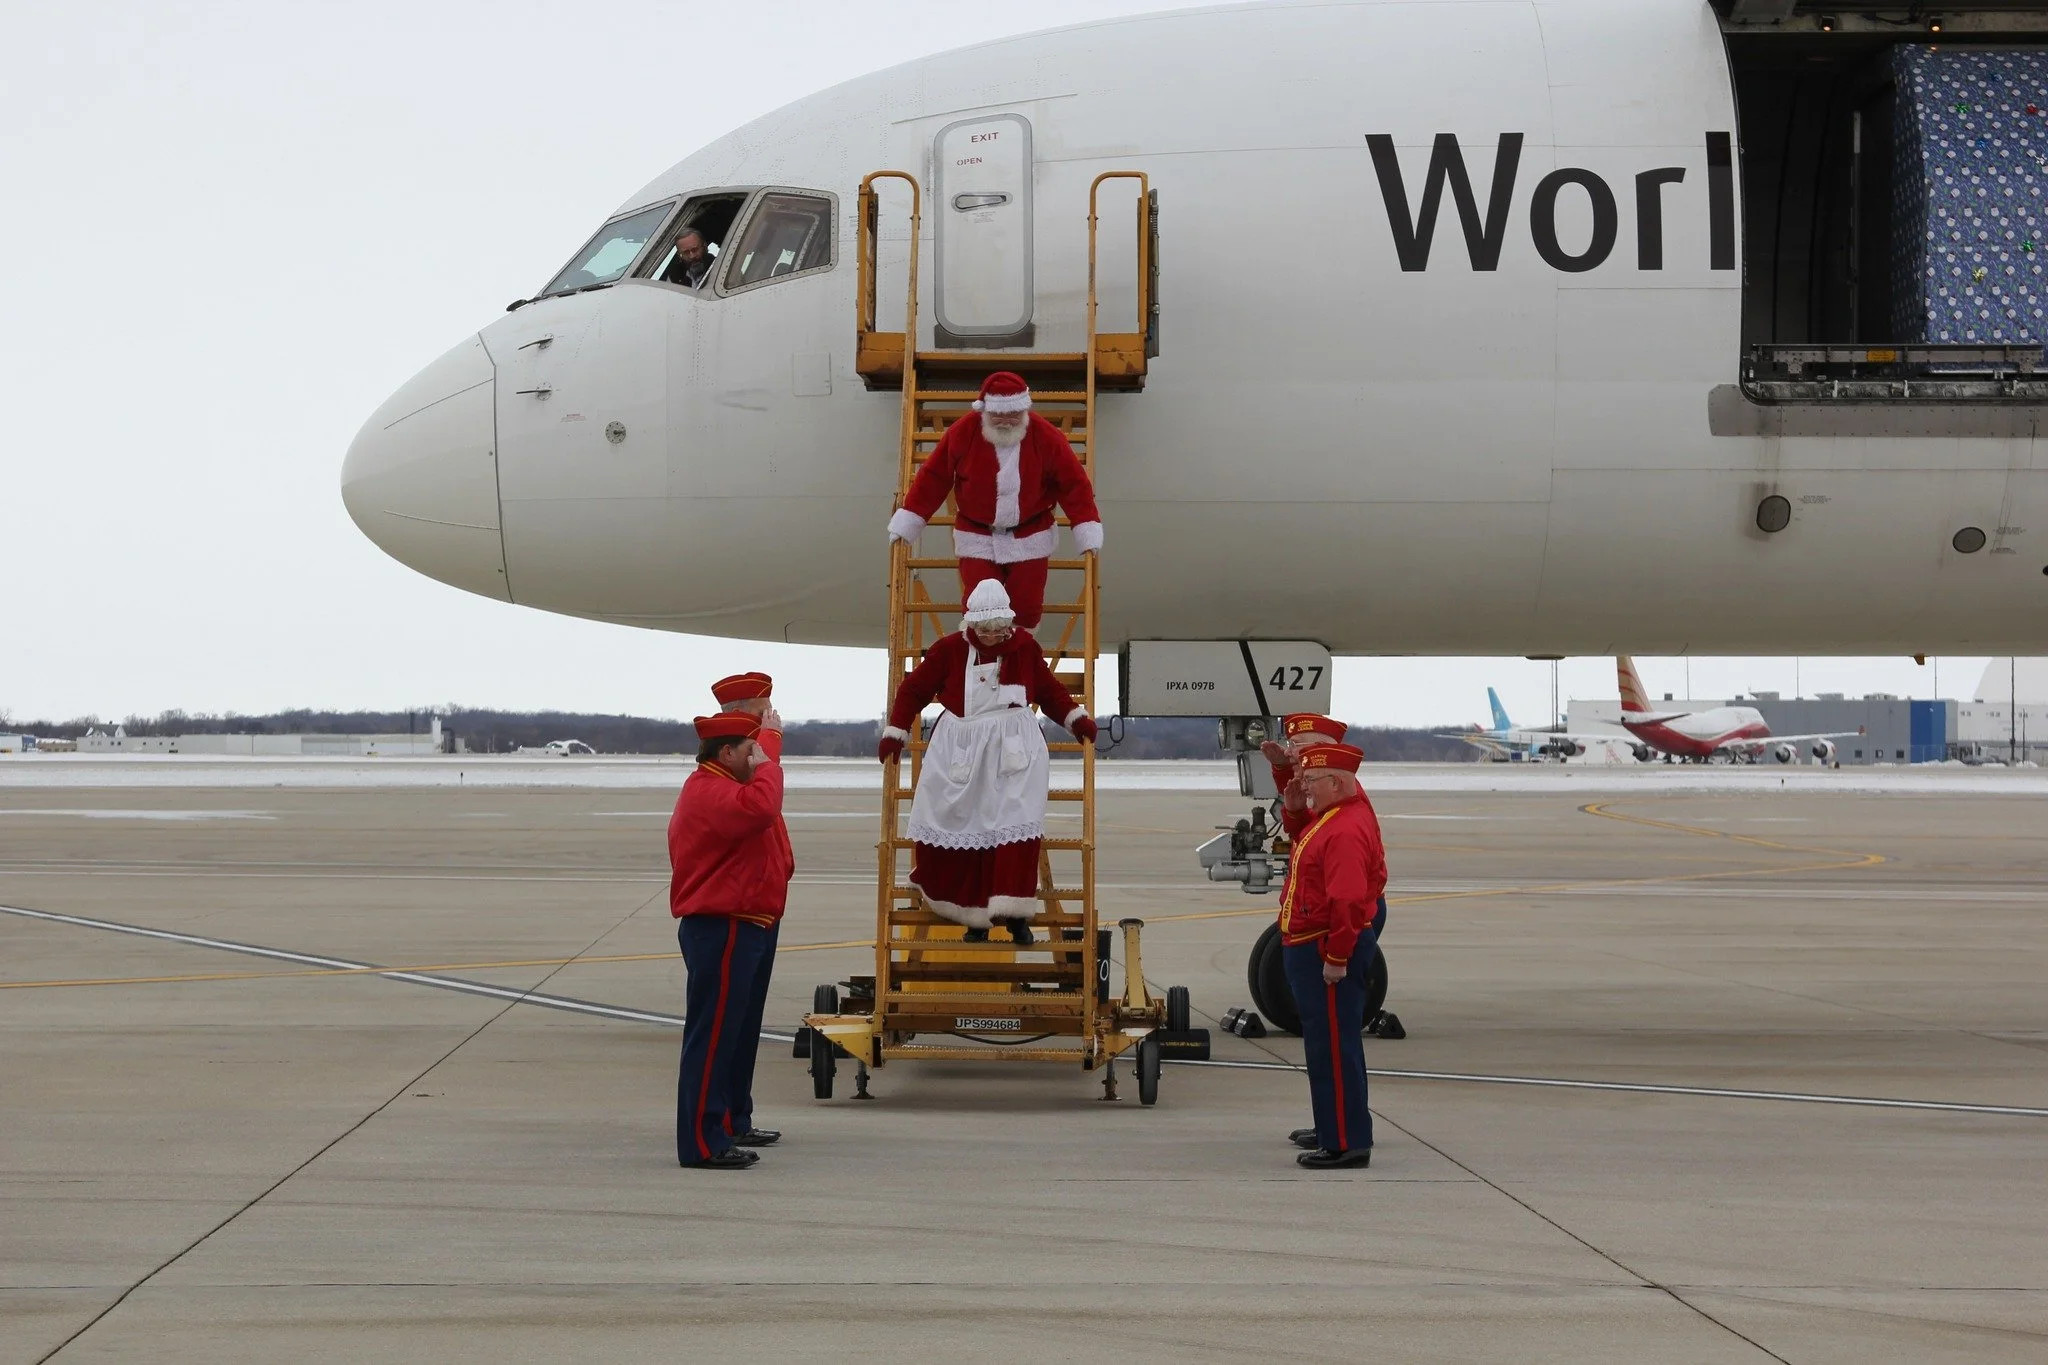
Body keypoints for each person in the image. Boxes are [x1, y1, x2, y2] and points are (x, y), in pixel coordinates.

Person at [877, 579, 1097, 940]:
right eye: (985, 630)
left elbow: (1048, 690)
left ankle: (1015, 916)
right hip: (961, 747)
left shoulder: (1025, 648)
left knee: (1016, 827)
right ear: (972, 624)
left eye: (998, 629)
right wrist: (896, 730)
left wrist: (1075, 718)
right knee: (960, 822)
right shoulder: (948, 650)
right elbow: (914, 689)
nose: (993, 636)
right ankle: (974, 916)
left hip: (1015, 749)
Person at [668, 708, 794, 1169]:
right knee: (714, 1038)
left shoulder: (720, 784)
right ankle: (702, 1142)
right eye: (749, 749)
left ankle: (720, 1126)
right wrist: (770, 763)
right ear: (727, 752)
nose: (757, 756)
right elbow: (763, 807)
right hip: (722, 926)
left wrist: (765, 753)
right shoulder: (709, 790)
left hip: (742, 922)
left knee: (730, 1035)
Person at [885, 371, 1103, 630]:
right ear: (985, 411)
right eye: (998, 414)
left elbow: (1073, 483)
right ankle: (981, 661)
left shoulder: (1046, 437)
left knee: (1026, 606)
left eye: (1013, 414)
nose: (1006, 421)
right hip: (977, 535)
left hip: (1030, 535)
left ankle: (1017, 657)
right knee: (979, 604)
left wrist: (1085, 526)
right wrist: (910, 520)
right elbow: (934, 477)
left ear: (1024, 411)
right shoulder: (963, 432)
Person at [1278, 741, 1388, 1170]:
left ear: (1337, 782)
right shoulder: (1334, 817)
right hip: (1315, 942)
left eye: (1313, 782)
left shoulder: (1343, 828)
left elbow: (1346, 899)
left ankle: (1346, 1142)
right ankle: (1336, 1129)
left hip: (1325, 945)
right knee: (1328, 1045)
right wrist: (1292, 806)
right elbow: (1303, 838)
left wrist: (1338, 957)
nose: (1307, 788)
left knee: (1333, 1048)